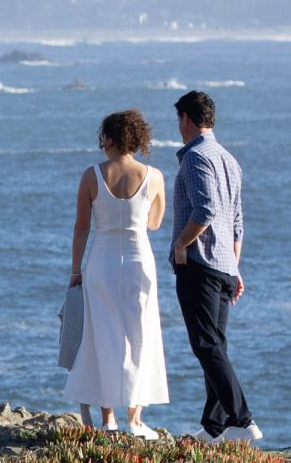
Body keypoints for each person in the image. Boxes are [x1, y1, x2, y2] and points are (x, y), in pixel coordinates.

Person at [65, 109, 169, 439]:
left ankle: (107, 417)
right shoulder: (154, 176)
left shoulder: (92, 175)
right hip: (139, 260)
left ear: (108, 138)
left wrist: (75, 271)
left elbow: (81, 227)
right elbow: (154, 222)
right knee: (140, 335)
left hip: (102, 260)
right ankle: (135, 421)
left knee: (102, 336)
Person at [171, 90, 261, 443]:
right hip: (224, 265)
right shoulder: (229, 160)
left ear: (187, 119)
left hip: (200, 264)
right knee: (216, 346)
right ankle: (214, 426)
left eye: (178, 120)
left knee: (205, 345)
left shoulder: (196, 158)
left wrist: (181, 242)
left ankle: (242, 419)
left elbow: (205, 210)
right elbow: (237, 222)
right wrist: (235, 268)